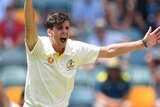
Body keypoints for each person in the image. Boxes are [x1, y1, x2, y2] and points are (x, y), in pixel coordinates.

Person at [24, 0, 160, 107]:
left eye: (66, 28)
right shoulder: (38, 46)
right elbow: (29, 26)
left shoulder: (75, 48)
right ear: (49, 32)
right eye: (59, 28)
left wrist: (142, 43)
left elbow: (109, 51)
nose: (64, 31)